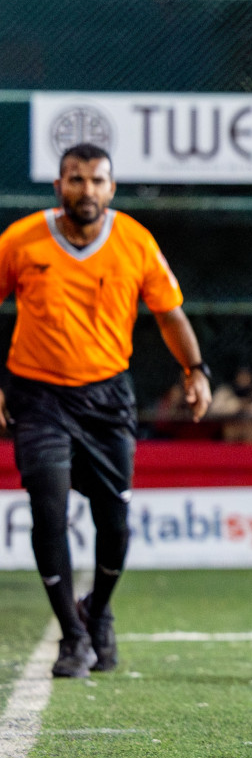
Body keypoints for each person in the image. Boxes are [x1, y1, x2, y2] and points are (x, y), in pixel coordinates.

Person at [0, 143, 212, 678]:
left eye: (97, 180)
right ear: (59, 186)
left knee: (114, 522)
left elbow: (169, 314)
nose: (87, 190)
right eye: (76, 179)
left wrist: (195, 371)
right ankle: (72, 639)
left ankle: (97, 610)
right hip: (38, 395)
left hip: (106, 398)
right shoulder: (19, 240)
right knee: (48, 509)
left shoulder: (135, 242)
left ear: (111, 188)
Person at [208, 365, 252, 444]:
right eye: (241, 376)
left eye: (246, 376)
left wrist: (249, 407)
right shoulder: (225, 392)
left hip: (250, 426)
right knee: (231, 426)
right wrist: (238, 405)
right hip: (230, 427)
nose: (244, 379)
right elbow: (214, 411)